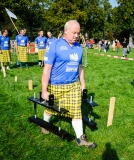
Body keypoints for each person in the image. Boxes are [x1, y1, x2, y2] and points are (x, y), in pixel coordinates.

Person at [41, 20, 96, 148]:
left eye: (78, 33)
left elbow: (80, 68)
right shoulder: (55, 45)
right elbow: (47, 69)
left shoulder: (78, 48)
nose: (76, 35)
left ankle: (80, 138)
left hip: (73, 85)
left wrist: (83, 85)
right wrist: (44, 90)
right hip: (55, 85)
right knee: (50, 109)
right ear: (66, 31)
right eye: (74, 33)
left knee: (76, 111)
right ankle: (45, 125)